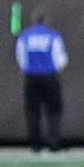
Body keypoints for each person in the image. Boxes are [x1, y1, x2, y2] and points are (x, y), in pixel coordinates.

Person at [16, 9, 68, 154]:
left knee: (33, 111)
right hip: (50, 76)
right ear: (46, 21)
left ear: (33, 20)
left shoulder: (25, 36)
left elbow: (21, 57)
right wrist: (54, 69)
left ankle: (35, 144)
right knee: (54, 110)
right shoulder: (53, 36)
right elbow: (61, 58)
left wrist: (28, 69)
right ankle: (53, 143)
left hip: (31, 77)